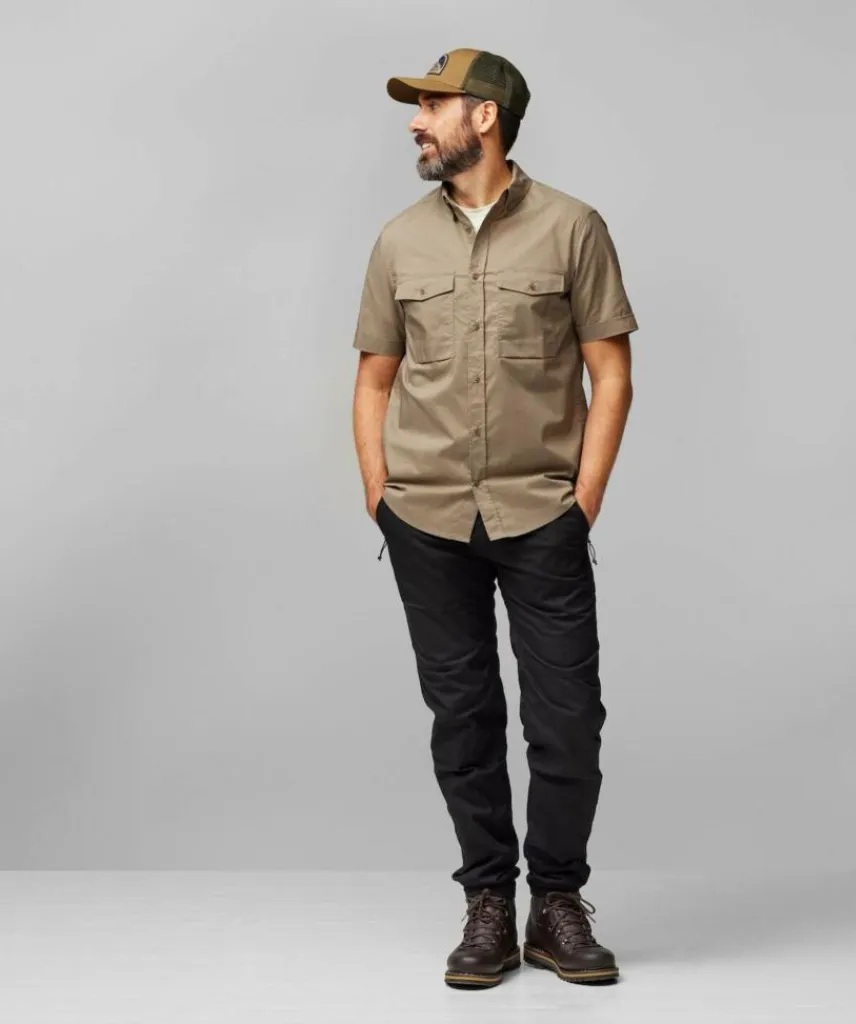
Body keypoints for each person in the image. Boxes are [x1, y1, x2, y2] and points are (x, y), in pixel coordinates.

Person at [350, 48, 638, 988]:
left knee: (569, 722)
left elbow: (611, 374)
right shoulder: (399, 241)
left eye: (430, 105)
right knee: (463, 719)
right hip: (427, 519)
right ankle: (487, 904)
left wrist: (583, 501)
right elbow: (374, 379)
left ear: (485, 116)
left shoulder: (572, 228)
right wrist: (380, 494)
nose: (415, 121)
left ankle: (556, 904)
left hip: (541, 514)